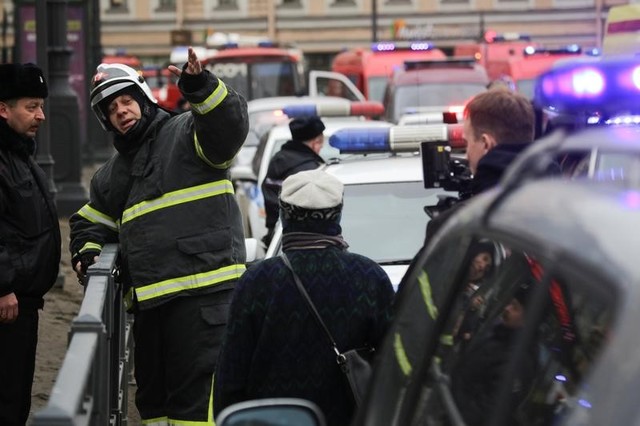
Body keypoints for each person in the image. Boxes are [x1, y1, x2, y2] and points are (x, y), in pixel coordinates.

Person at [68, 47, 249, 424]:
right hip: (151, 311)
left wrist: (201, 87)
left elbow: (227, 126)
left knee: (195, 408)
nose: (121, 112)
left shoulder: (188, 132)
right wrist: (88, 253)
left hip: (204, 303)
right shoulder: (111, 174)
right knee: (153, 407)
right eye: (111, 110)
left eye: (125, 101)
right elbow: (89, 221)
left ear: (143, 98)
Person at [214, 169, 395, 425]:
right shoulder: (369, 276)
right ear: (338, 214)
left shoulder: (258, 281)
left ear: (284, 215)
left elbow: (231, 373)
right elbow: (394, 364)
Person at [0, 63, 61, 426]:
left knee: (16, 397)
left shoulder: (19, 153)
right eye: (31, 106)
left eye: (41, 106)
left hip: (21, 303)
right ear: (3, 109)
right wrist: (3, 286)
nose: (41, 115)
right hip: (7, 306)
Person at [450, 282, 538, 426]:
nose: (507, 309)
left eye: (515, 307)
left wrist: (454, 413)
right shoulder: (501, 334)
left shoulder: (519, 361)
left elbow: (489, 409)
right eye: (510, 303)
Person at [261, 115, 326, 247]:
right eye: (321, 144)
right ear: (316, 143)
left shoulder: (277, 160)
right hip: (306, 239)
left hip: (277, 239)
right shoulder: (312, 170)